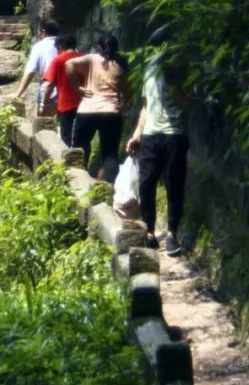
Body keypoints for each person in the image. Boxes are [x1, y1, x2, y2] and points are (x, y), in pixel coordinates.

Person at [126, 50, 188, 255]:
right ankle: (149, 231)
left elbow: (188, 103)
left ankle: (172, 233)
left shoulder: (180, 69)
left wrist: (173, 83)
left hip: (175, 134)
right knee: (146, 182)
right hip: (151, 135)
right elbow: (146, 106)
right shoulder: (149, 69)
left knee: (174, 183)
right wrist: (137, 134)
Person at [67, 32, 129, 183]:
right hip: (111, 112)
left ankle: (77, 182)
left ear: (99, 47)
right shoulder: (121, 63)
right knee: (110, 154)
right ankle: (110, 189)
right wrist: (124, 103)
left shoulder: (91, 58)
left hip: (88, 110)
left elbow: (69, 64)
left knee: (80, 148)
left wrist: (77, 87)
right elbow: (126, 89)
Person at [41, 33, 81, 146]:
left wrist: (44, 103)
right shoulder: (85, 57)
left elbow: (49, 85)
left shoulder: (58, 60)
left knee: (66, 138)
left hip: (66, 105)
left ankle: (68, 161)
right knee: (81, 138)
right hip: (84, 104)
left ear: (61, 46)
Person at [15, 19, 58, 112]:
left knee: (43, 125)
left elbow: (30, 71)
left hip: (49, 94)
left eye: (38, 30)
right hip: (69, 94)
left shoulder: (39, 47)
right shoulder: (66, 45)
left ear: (43, 31)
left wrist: (18, 93)